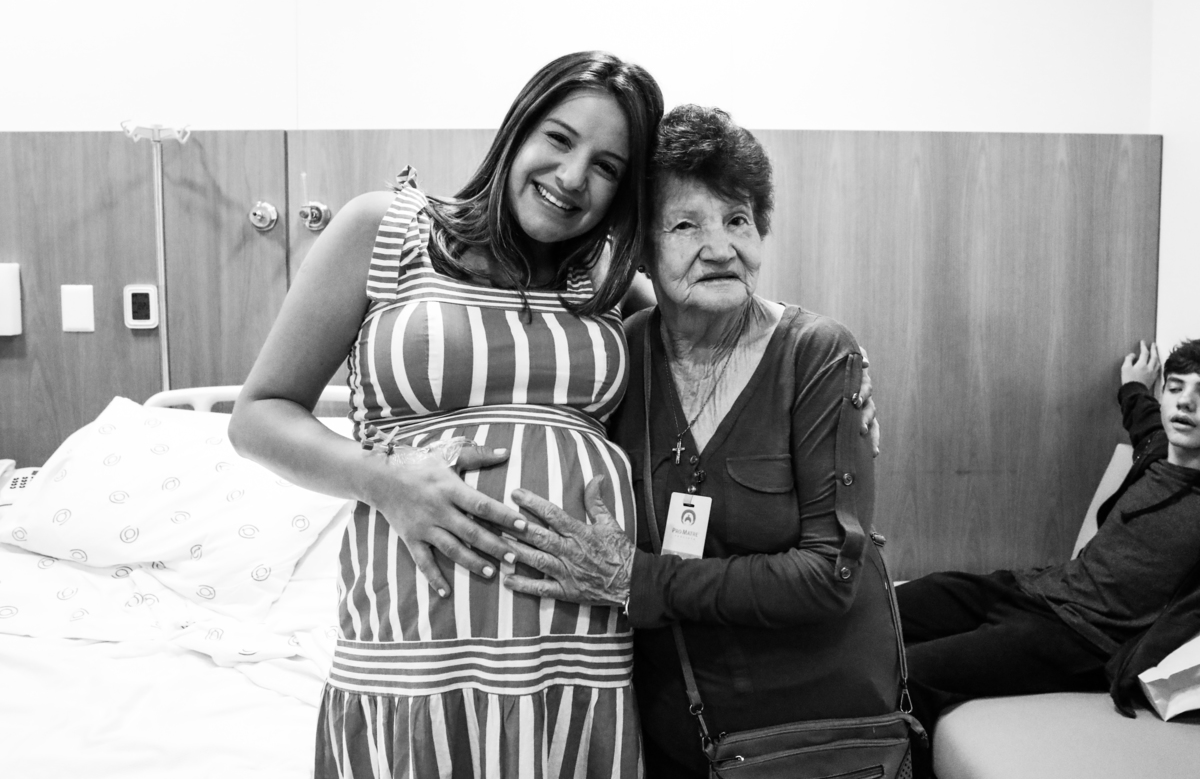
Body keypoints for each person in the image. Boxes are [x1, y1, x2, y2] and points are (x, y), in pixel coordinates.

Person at [229, 51, 664, 778]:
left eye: (606, 167)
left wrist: (821, 363)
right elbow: (257, 416)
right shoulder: (384, 230)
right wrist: (380, 478)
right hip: (415, 647)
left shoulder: (614, 284)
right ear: (518, 130)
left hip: (579, 657)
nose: (571, 177)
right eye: (559, 139)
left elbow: (722, 343)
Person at [497, 104, 902, 777]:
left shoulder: (817, 355)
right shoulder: (617, 357)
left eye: (737, 219)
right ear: (641, 248)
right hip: (672, 729)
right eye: (685, 225)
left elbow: (829, 575)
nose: (720, 247)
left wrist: (638, 579)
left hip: (813, 735)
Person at [893, 339, 1200, 741]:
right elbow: (1139, 410)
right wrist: (1134, 385)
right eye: (1175, 388)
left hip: (1082, 640)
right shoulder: (1155, 450)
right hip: (1033, 589)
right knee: (888, 610)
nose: (1186, 401)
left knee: (912, 672)